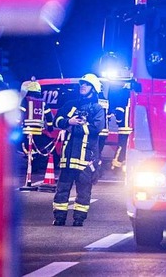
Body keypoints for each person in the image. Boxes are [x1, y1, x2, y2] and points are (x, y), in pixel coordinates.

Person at [51, 73, 106, 227]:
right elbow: (57, 120)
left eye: (87, 84)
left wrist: (77, 125)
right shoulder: (71, 105)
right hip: (67, 157)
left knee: (84, 191)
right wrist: (69, 121)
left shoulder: (97, 109)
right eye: (82, 84)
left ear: (93, 89)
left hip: (86, 157)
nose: (83, 86)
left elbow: (97, 128)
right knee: (62, 189)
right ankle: (59, 218)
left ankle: (79, 219)